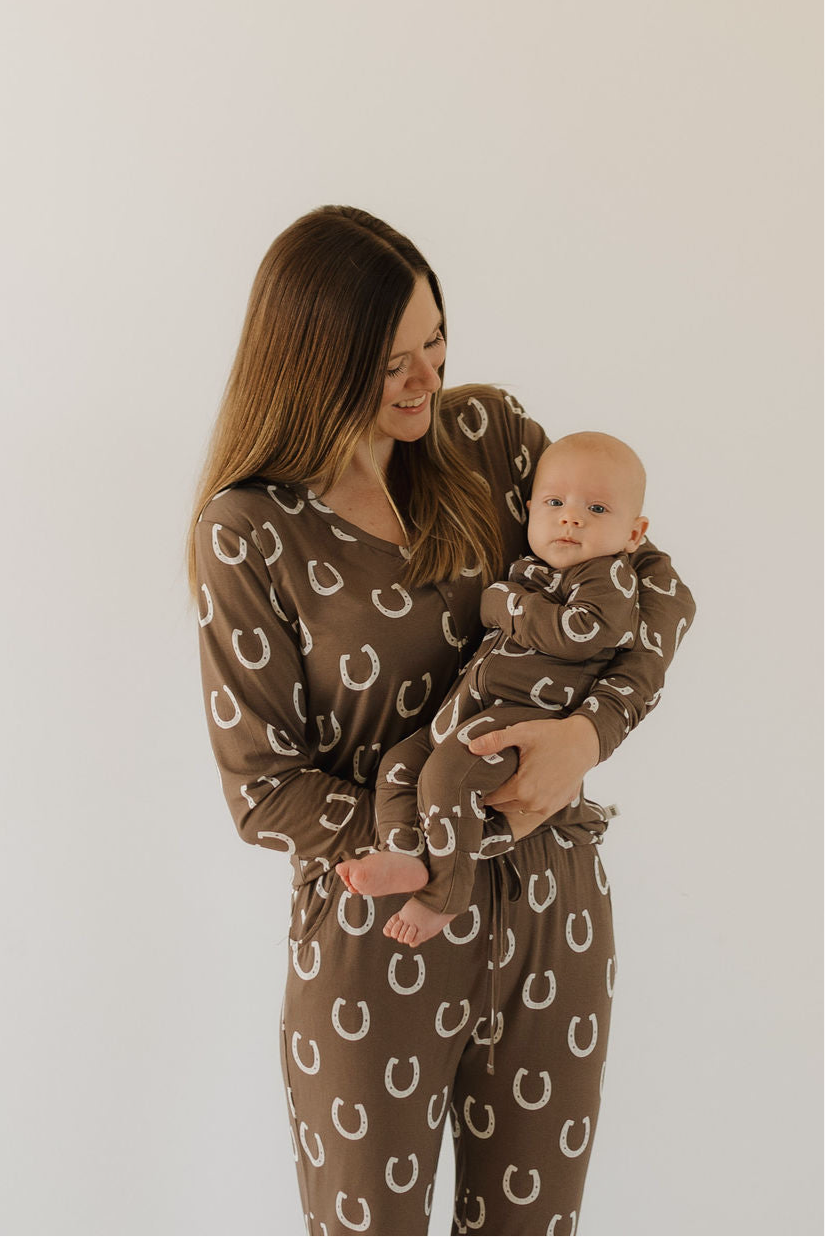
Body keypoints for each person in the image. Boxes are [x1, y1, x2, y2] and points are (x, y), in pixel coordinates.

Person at [189, 205, 695, 1237]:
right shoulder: (247, 530)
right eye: (390, 362)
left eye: (436, 340)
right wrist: (428, 844)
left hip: (552, 904)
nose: (426, 378)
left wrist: (586, 740)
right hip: (381, 924)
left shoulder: (493, 439)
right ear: (311, 362)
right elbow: (262, 789)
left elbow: (653, 589)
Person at [336, 432, 650, 948]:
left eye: (596, 508)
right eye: (555, 503)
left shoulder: (608, 578)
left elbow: (579, 635)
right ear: (529, 510)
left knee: (447, 776)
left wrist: (504, 602)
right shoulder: (537, 570)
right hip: (469, 710)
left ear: (634, 533)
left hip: (526, 717)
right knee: (398, 766)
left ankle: (444, 897)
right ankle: (404, 850)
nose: (571, 517)